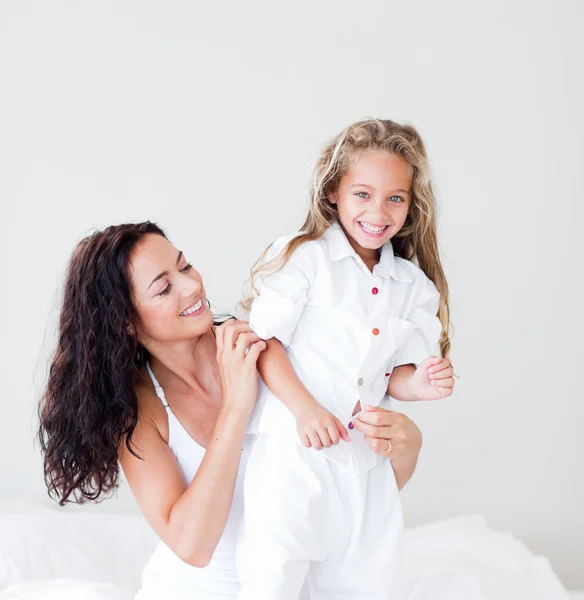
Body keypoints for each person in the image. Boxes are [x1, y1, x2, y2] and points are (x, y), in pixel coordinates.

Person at [38, 221, 426, 600]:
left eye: (185, 265)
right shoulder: (140, 412)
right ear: (125, 321)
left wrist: (406, 447)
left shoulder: (270, 345)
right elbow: (193, 545)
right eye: (164, 288)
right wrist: (237, 407)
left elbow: (354, 485)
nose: (192, 286)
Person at [236, 118, 455, 600]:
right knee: (273, 580)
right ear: (334, 192)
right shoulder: (304, 258)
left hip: (365, 465)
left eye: (395, 198)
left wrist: (422, 384)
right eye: (363, 194)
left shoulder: (411, 286)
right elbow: (264, 343)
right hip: (294, 456)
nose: (379, 211)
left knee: (367, 582)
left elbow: (395, 375)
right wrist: (305, 409)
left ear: (410, 203)